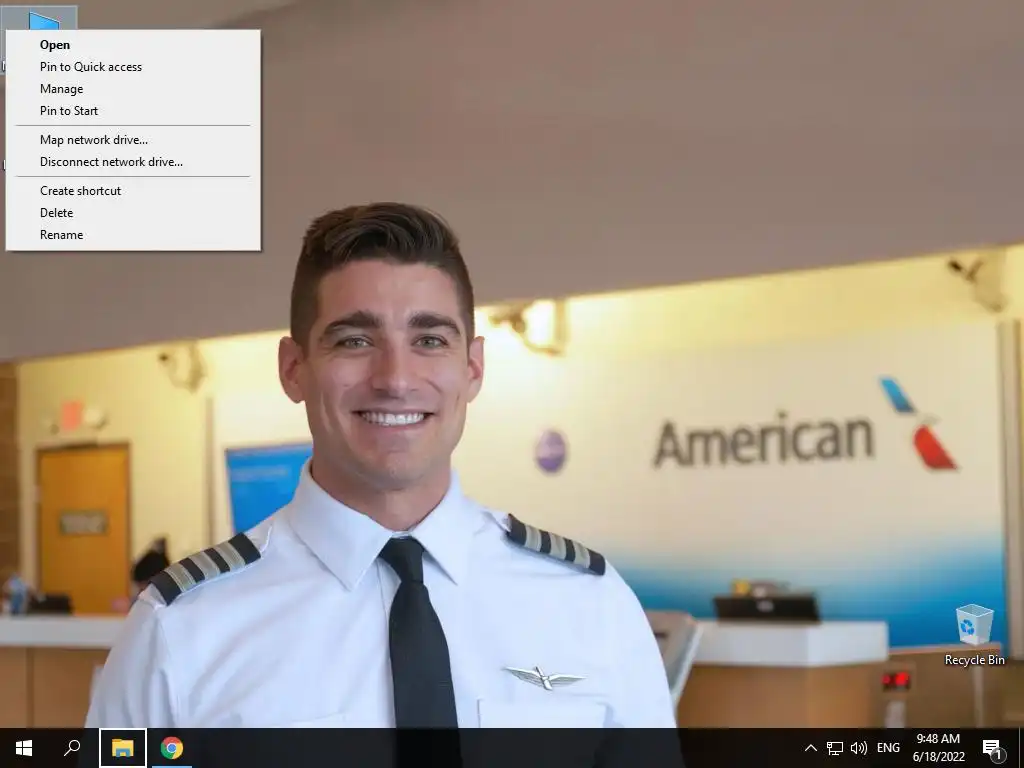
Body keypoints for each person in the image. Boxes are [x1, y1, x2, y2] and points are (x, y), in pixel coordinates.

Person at [86, 204, 680, 751]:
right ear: (294, 370)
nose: (395, 378)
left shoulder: (590, 605)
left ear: (472, 368)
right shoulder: (180, 631)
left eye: (429, 340)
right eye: (355, 340)